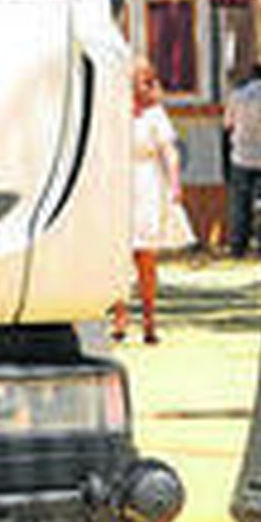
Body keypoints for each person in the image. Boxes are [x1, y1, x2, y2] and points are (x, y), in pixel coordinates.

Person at [111, 59, 195, 345]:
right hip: (118, 182)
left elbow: (169, 150)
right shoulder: (111, 113)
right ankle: (120, 317)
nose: (143, 86)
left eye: (146, 80)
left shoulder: (155, 115)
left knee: (146, 256)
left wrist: (174, 184)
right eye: (138, 81)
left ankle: (149, 319)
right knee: (118, 256)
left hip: (146, 183)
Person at [223, 64, 261, 258]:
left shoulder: (237, 96)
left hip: (241, 156)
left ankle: (238, 246)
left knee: (239, 204)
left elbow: (227, 124)